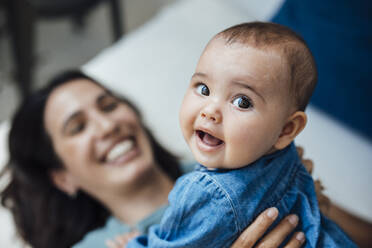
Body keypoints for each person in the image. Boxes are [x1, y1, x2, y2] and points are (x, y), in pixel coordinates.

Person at [0, 70, 306, 248]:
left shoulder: (241, 169)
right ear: (62, 176)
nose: (108, 125)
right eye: (78, 127)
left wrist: (312, 200)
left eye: (108, 106)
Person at [122, 22, 356, 247]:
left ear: (286, 129)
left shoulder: (205, 193)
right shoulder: (285, 157)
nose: (210, 111)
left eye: (242, 102)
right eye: (204, 89)